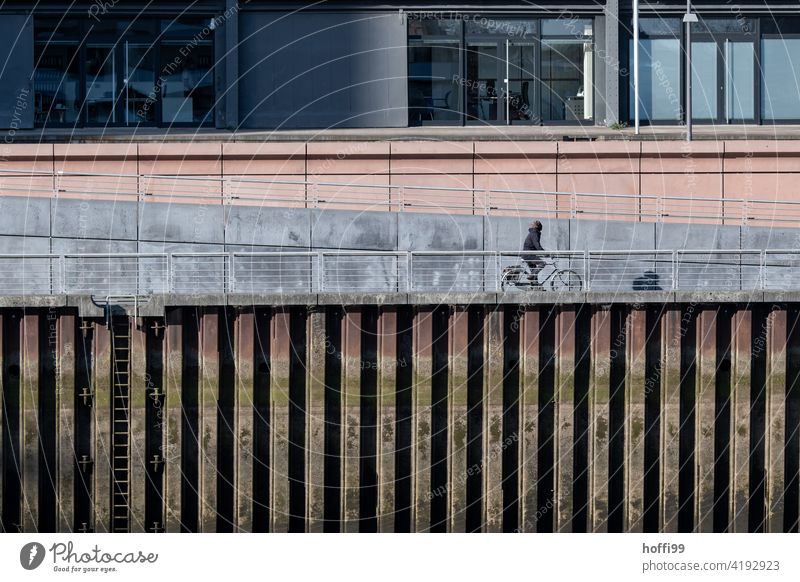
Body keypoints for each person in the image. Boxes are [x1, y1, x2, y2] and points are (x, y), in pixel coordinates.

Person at [522, 220, 545, 284]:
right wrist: (545, 253)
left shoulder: (533, 233)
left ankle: (535, 286)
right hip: (529, 255)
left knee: (534, 272)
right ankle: (531, 276)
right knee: (542, 264)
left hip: (527, 254)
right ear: (538, 227)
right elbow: (537, 245)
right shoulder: (534, 233)